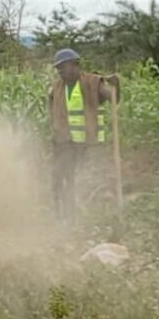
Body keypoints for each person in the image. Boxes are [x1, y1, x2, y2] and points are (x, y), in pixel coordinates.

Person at [48, 48, 117, 221]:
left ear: (74, 65)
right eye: (58, 68)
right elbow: (53, 112)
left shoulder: (93, 83)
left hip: (88, 144)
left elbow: (113, 98)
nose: (60, 71)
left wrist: (116, 86)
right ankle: (62, 214)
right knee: (60, 178)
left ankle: (84, 216)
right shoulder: (56, 88)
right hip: (65, 143)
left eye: (62, 67)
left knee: (83, 179)